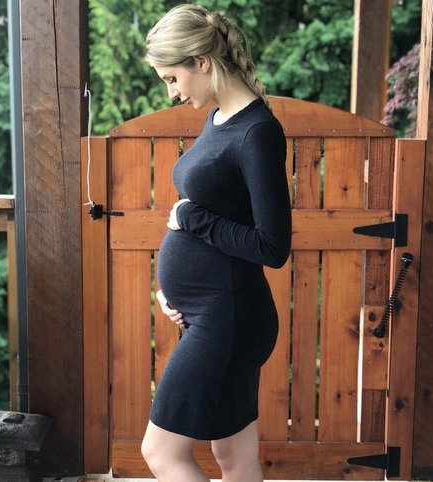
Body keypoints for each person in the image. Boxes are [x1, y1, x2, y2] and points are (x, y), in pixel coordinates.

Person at [141, 4, 292, 481]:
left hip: (229, 319)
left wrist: (190, 218)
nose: (171, 91)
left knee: (161, 453)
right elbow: (220, 213)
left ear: (202, 62)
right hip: (214, 313)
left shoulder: (258, 132)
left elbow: (272, 246)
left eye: (172, 78)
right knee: (235, 459)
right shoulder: (220, 119)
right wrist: (177, 292)